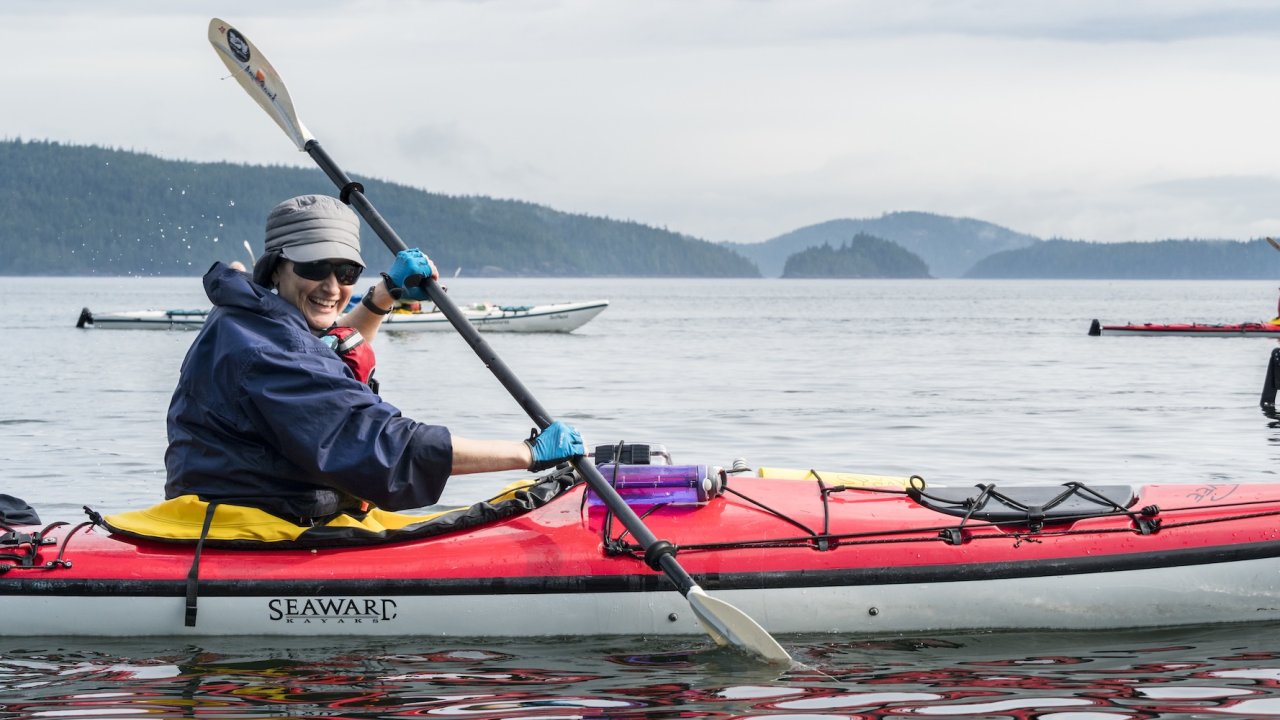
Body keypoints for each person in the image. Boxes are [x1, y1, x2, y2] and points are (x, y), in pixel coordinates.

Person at [164, 194, 583, 521]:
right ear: (276, 268)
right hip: (252, 527)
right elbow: (384, 449)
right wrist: (527, 453)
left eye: (345, 273)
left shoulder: (252, 318)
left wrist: (384, 295)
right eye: (315, 268)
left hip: (264, 504)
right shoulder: (269, 351)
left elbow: (331, 354)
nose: (332, 287)